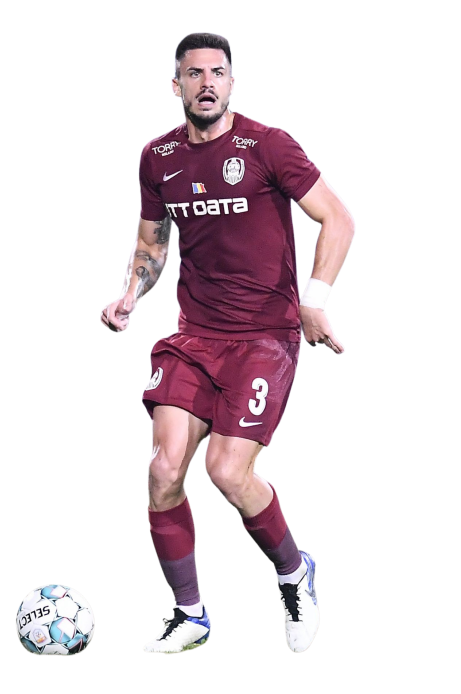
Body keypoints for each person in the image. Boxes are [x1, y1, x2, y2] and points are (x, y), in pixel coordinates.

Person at [99, 32, 355, 654]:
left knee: (225, 471)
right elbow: (152, 242)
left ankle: (294, 571)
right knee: (163, 470)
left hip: (264, 337)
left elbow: (339, 217)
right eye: (194, 74)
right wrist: (129, 295)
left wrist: (314, 300)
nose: (207, 83)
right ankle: (190, 614)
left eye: (217, 72)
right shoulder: (157, 157)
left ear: (233, 83)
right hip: (193, 336)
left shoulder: (268, 145)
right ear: (176, 86)